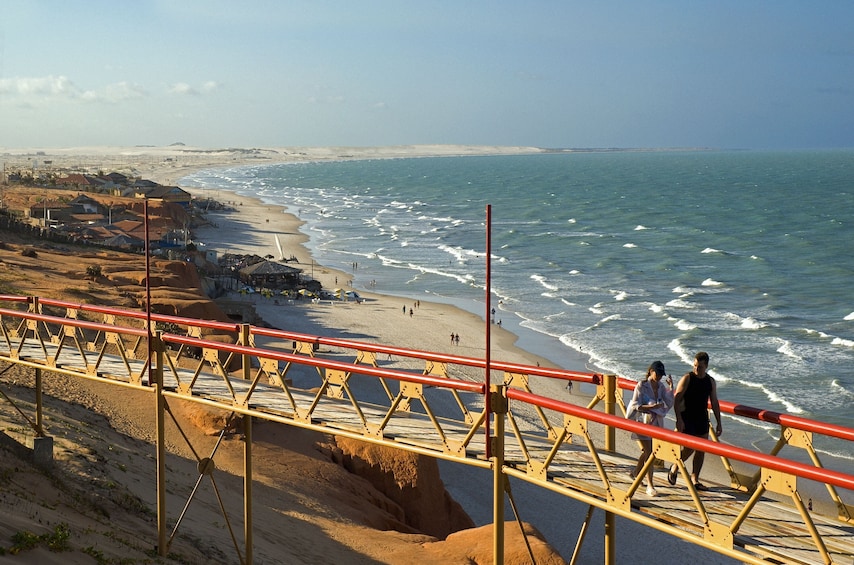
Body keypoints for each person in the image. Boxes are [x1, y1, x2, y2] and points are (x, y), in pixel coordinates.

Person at [667, 351, 722, 491]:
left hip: (702, 418)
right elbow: (677, 399)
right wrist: (678, 419)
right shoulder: (688, 378)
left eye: (700, 367)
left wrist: (719, 422)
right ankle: (675, 466)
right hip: (687, 417)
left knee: (701, 450)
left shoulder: (710, 382)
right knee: (689, 448)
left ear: (706, 366)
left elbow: (714, 402)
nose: (696, 369)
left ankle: (695, 479)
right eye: (695, 365)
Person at [625, 360, 674, 497]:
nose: (659, 377)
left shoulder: (660, 387)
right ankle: (650, 486)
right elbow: (635, 405)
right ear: (651, 371)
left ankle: (635, 473)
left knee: (648, 452)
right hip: (643, 422)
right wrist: (651, 407)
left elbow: (669, 402)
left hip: (655, 424)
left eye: (661, 375)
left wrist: (671, 387)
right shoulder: (642, 385)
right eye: (657, 374)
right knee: (650, 453)